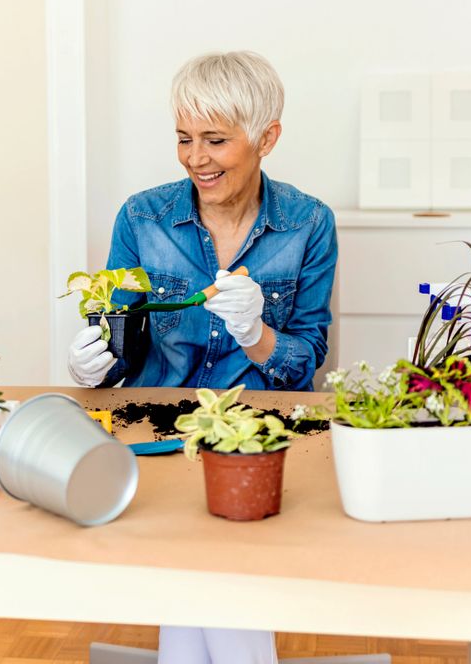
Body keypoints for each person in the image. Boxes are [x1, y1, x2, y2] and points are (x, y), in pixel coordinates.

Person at [68, 51, 337, 664]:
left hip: (255, 437)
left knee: (208, 583)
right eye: (184, 139)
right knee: (208, 584)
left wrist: (255, 333)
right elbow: (118, 337)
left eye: (216, 140)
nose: (195, 158)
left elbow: (307, 362)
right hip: (157, 435)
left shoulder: (308, 224)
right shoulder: (142, 217)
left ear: (267, 137)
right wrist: (95, 366)